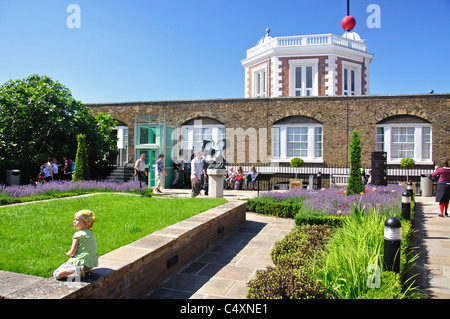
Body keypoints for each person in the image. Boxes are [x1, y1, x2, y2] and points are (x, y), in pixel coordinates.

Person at [53, 210, 98, 281]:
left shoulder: (78, 235)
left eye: (77, 220)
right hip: (90, 264)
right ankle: (84, 271)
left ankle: (76, 269)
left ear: (86, 223)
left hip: (79, 263)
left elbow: (73, 252)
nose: (74, 221)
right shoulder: (90, 233)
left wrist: (68, 254)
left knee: (56, 274)